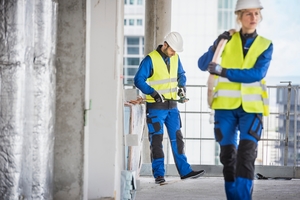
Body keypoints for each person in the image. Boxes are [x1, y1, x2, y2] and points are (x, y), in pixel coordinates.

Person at [197, 0, 273, 199]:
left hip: (252, 108)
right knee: (228, 158)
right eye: (248, 14)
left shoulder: (266, 45)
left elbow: (256, 74)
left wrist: (223, 71)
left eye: (256, 13)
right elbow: (203, 64)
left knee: (246, 157)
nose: (253, 18)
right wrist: (216, 44)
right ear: (239, 16)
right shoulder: (226, 41)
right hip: (225, 108)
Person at [134, 32, 206, 184]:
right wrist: (152, 93)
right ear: (165, 45)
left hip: (173, 107)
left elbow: (181, 75)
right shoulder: (150, 59)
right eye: (172, 50)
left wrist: (182, 87)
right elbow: (138, 80)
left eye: (176, 51)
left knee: (177, 139)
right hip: (156, 108)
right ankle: (159, 175)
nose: (174, 53)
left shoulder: (176, 58)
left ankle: (185, 171)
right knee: (157, 141)